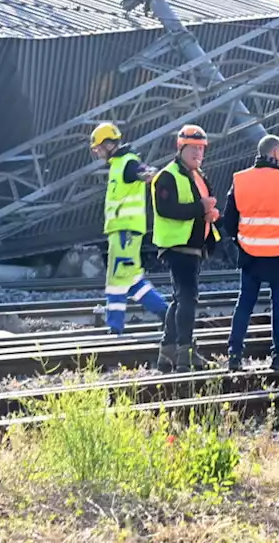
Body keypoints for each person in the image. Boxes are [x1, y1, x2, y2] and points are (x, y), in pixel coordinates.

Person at [221, 134, 279, 373]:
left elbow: (229, 222)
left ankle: (234, 355)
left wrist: (243, 240)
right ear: (275, 154)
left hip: (250, 253)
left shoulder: (240, 179)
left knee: (245, 304)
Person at [151, 124, 221, 373]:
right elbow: (166, 210)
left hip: (193, 248)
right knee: (188, 299)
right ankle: (185, 353)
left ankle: (167, 352)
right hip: (177, 247)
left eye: (201, 149)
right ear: (180, 147)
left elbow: (200, 207)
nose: (198, 154)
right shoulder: (167, 176)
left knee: (178, 299)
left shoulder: (198, 176)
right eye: (193, 148)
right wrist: (200, 208)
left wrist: (210, 215)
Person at [88, 122, 169, 335]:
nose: (97, 153)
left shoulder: (127, 162)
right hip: (122, 231)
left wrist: (151, 174)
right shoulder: (118, 164)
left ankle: (114, 328)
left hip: (125, 232)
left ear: (108, 144)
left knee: (116, 279)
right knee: (131, 280)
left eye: (98, 148)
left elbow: (145, 172)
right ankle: (167, 314)